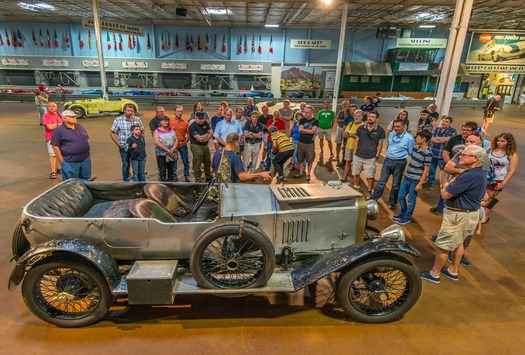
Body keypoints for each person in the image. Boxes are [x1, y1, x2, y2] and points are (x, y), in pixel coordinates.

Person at [420, 145, 487, 284]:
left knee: (442, 245)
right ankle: (453, 271)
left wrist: (449, 183)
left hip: (458, 216)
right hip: (469, 215)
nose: (460, 156)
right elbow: (483, 197)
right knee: (458, 243)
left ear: (475, 158)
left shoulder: (468, 176)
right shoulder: (479, 173)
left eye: (464, 155)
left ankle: (435, 273)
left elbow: (445, 194)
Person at [429, 121, 478, 213]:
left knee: (457, 190)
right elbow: (445, 153)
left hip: (465, 172)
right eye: (463, 129)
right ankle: (440, 206)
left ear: (473, 131)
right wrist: (451, 166)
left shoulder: (476, 142)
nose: (464, 132)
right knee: (444, 188)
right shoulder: (454, 139)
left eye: (467, 130)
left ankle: (452, 208)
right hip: (449, 170)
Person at [369, 118, 415, 209]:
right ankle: (373, 199)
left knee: (395, 184)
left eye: (398, 127)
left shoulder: (409, 138)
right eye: (394, 127)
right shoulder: (392, 134)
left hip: (399, 163)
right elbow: (388, 146)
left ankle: (392, 201)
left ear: (404, 127)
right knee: (381, 181)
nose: (396, 129)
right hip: (388, 161)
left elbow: (411, 152)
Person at [393, 130, 432, 225]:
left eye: (418, 137)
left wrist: (420, 183)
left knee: (411, 200)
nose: (416, 139)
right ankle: (402, 213)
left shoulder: (427, 153)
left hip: (415, 180)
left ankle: (407, 217)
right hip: (407, 177)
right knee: (401, 196)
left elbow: (426, 169)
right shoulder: (415, 148)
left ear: (423, 139)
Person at [483, 133, 519, 223]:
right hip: (485, 176)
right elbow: (483, 158)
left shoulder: (511, 154)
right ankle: (479, 213)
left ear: (508, 142)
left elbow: (512, 170)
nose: (499, 143)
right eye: (498, 140)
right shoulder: (491, 149)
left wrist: (503, 183)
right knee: (482, 196)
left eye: (503, 141)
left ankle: (485, 216)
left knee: (490, 197)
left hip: (498, 178)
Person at [51, 110, 91, 180]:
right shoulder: (58, 130)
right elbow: (55, 146)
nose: (74, 118)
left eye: (75, 116)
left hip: (85, 159)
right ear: (64, 119)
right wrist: (62, 161)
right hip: (70, 161)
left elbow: (86, 138)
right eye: (71, 117)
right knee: (71, 182)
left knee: (86, 180)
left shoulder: (79, 126)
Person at [352, 110, 385, 196]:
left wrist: (376, 156)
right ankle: (355, 186)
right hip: (358, 156)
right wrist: (355, 154)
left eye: (373, 117)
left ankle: (369, 190)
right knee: (356, 173)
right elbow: (357, 141)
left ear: (376, 119)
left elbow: (380, 144)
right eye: (369, 116)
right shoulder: (360, 128)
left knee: (370, 176)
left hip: (370, 157)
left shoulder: (380, 130)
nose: (370, 118)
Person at [110, 104, 144, 181]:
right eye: (128, 110)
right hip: (124, 147)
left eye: (132, 111)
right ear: (124, 111)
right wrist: (118, 143)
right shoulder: (118, 120)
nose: (130, 112)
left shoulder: (137, 120)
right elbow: (112, 132)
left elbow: (142, 131)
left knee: (138, 164)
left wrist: (142, 144)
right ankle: (126, 181)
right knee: (126, 164)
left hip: (136, 148)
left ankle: (138, 181)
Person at [423, 116, 457, 187]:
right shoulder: (437, 129)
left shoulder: (452, 131)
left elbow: (448, 140)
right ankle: (430, 181)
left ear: (450, 123)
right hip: (433, 153)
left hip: (442, 155)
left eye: (446, 121)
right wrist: (442, 140)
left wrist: (437, 138)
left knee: (444, 170)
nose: (444, 123)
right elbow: (431, 139)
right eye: (443, 121)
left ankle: (445, 183)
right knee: (431, 169)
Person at [294, 105, 318, 181]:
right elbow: (300, 130)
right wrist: (309, 131)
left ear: (311, 113)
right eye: (305, 112)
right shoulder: (302, 120)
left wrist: (304, 130)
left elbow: (313, 131)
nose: (305, 114)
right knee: (300, 157)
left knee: (310, 159)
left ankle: (308, 173)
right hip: (301, 142)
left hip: (310, 143)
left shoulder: (316, 121)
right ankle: (301, 172)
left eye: (307, 112)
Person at [340, 110, 365, 184]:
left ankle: (356, 180)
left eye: (358, 116)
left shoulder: (363, 126)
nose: (356, 117)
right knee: (347, 162)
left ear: (362, 117)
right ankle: (344, 177)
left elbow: (362, 137)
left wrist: (351, 134)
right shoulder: (350, 124)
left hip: (358, 148)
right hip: (348, 146)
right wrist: (355, 135)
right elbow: (345, 135)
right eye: (355, 115)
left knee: (356, 164)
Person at [189, 110, 213, 182]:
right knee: (198, 163)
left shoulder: (205, 123)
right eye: (199, 119)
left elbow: (211, 132)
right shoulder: (192, 126)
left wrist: (205, 137)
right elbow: (199, 138)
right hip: (196, 146)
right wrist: (207, 135)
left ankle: (208, 176)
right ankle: (198, 178)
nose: (201, 120)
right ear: (195, 118)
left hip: (205, 145)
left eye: (202, 118)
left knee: (207, 162)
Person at [42, 102, 62, 179]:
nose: (51, 107)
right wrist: (58, 124)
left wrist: (55, 124)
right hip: (51, 138)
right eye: (49, 106)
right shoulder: (46, 116)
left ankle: (59, 168)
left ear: (56, 107)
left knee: (60, 154)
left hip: (61, 137)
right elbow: (50, 127)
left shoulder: (60, 115)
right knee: (53, 155)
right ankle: (53, 172)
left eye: (53, 106)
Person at [170, 105, 191, 182]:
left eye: (181, 111)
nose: (180, 113)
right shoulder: (170, 122)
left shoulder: (185, 123)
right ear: (174, 112)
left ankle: (186, 175)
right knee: (174, 161)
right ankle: (174, 176)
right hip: (173, 145)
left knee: (185, 161)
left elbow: (189, 133)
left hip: (182, 144)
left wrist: (186, 141)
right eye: (178, 111)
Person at [153, 116, 177, 182]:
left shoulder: (171, 130)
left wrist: (172, 149)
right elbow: (157, 142)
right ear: (160, 122)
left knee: (171, 169)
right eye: (164, 121)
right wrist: (167, 149)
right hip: (161, 153)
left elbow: (176, 140)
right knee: (162, 169)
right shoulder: (157, 131)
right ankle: (163, 182)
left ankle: (170, 182)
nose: (166, 122)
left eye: (167, 121)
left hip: (171, 153)